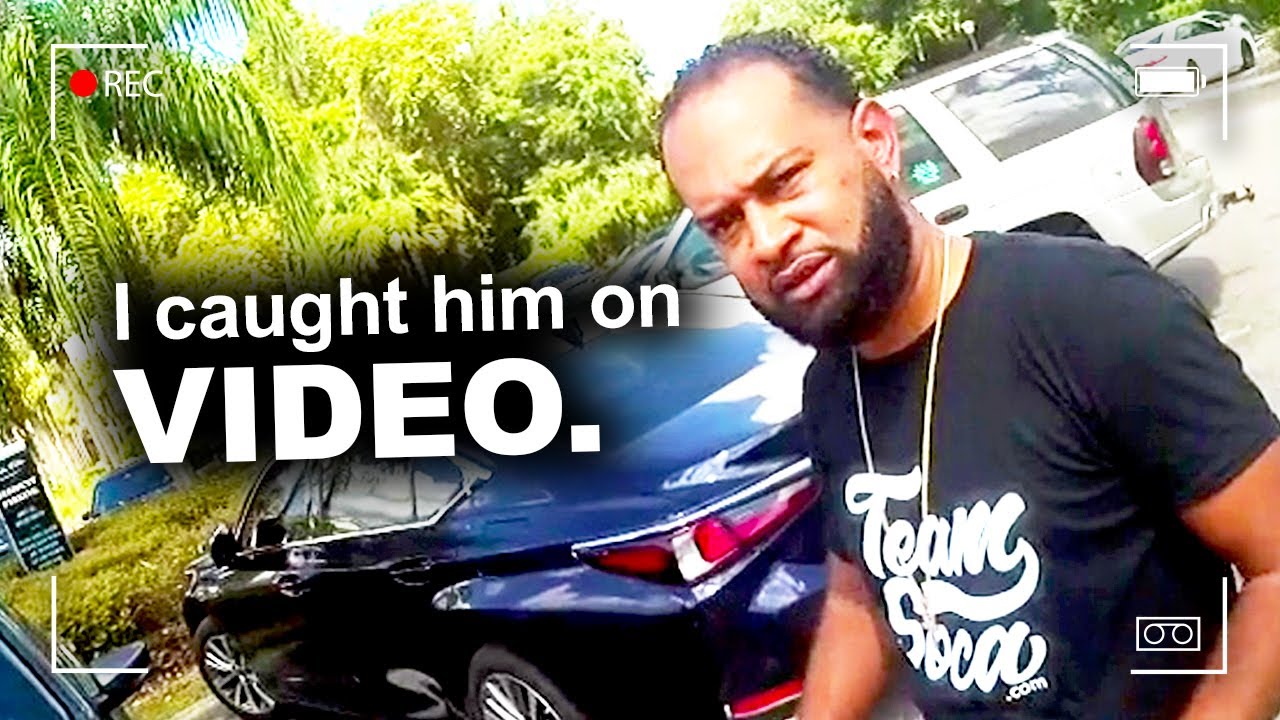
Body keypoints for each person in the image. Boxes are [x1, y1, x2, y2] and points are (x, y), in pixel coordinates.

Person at [659, 30, 1280, 720]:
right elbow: (861, 592)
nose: (768, 240)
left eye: (784, 181)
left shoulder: (1088, 310)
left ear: (876, 141)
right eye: (726, 223)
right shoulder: (834, 389)